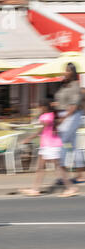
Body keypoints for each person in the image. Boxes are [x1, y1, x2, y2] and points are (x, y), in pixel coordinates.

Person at [19, 99, 79, 197]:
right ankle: (35, 189)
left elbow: (41, 130)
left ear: (43, 107)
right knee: (41, 168)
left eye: (39, 107)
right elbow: (57, 123)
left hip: (50, 146)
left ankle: (71, 188)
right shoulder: (53, 115)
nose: (38, 109)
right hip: (49, 145)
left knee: (57, 168)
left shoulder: (46, 117)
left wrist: (28, 139)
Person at [54, 62, 85, 191]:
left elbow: (73, 105)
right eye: (64, 70)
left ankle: (67, 177)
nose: (64, 73)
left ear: (72, 73)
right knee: (72, 147)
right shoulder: (64, 85)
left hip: (71, 117)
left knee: (62, 146)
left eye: (67, 71)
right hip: (65, 116)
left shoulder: (75, 86)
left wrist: (63, 118)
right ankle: (80, 175)